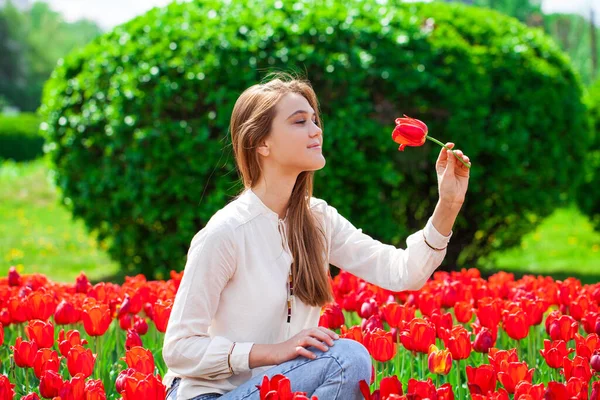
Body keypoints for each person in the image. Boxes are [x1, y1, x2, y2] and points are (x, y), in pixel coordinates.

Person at [161, 72, 471, 400]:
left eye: (314, 119)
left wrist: (448, 204)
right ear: (260, 143)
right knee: (345, 358)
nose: (316, 130)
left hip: (278, 391)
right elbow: (180, 350)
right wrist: (272, 351)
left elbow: (402, 272)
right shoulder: (227, 233)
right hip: (210, 395)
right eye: (299, 122)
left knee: (346, 358)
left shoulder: (318, 219)